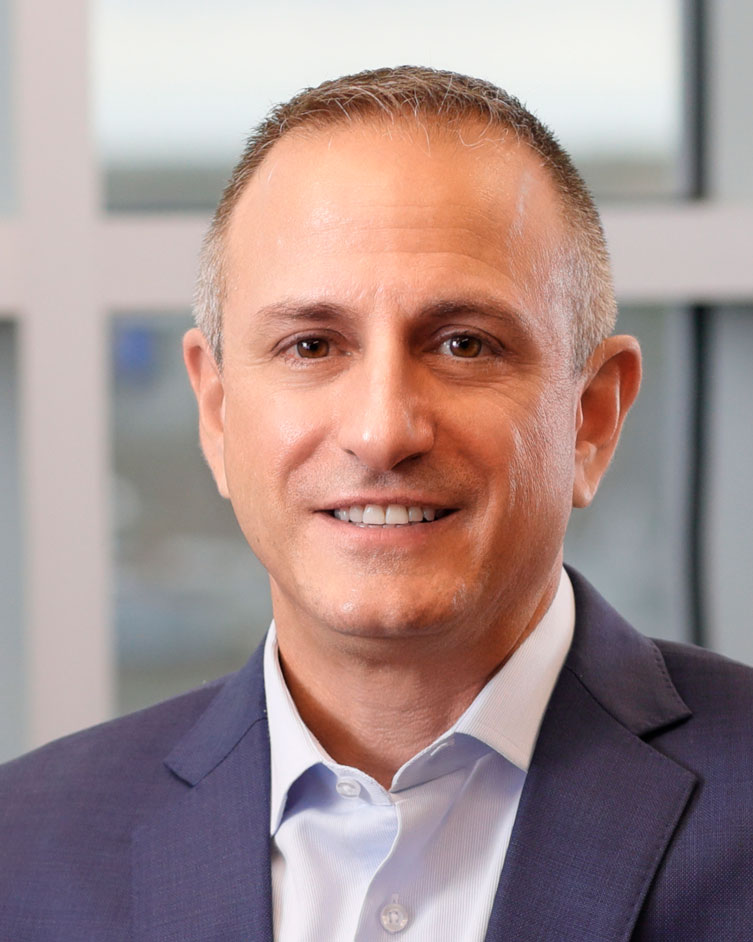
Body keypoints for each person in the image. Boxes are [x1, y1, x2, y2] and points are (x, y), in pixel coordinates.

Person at [1, 66, 751, 941]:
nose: (382, 431)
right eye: (311, 345)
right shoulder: (24, 852)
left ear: (590, 418)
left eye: (464, 344)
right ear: (216, 412)